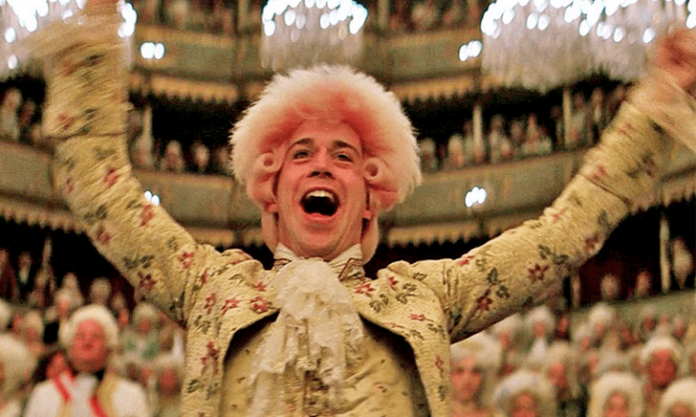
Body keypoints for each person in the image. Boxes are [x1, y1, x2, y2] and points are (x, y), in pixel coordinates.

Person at [38, 1, 696, 415]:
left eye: (344, 155)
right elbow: (106, 197)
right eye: (301, 152)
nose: (322, 164)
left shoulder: (426, 297)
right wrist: (92, 52)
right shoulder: (210, 286)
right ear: (271, 189)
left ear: (369, 197)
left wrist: (656, 106)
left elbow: (565, 232)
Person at [24, 304, 150, 417]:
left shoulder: (131, 395)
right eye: (80, 336)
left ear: (108, 347)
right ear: (70, 347)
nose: (87, 342)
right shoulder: (44, 394)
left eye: (95, 336)